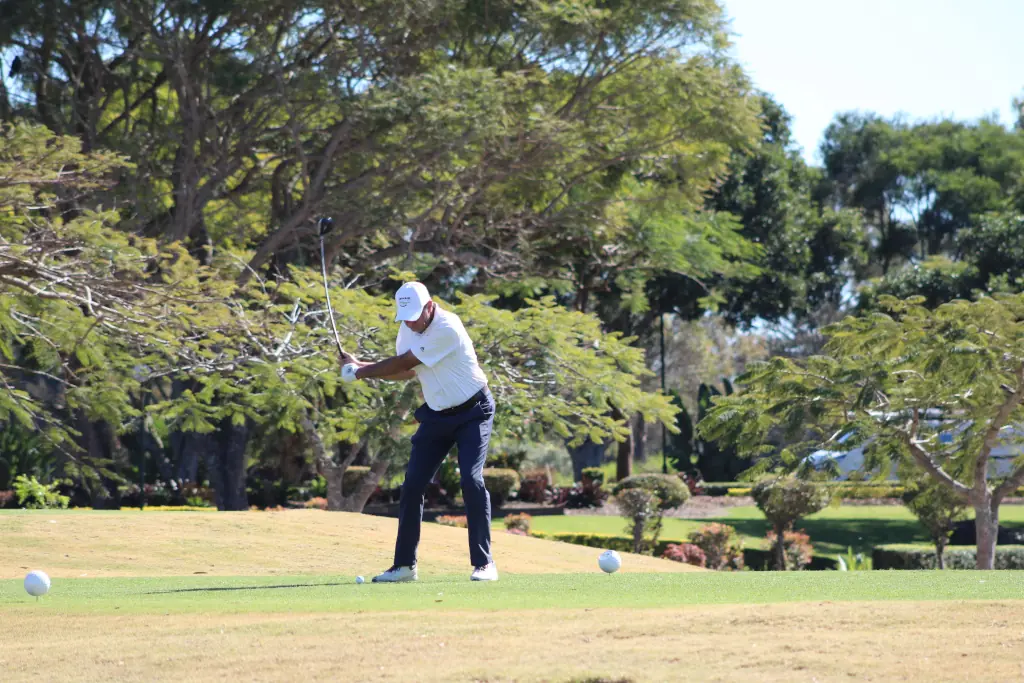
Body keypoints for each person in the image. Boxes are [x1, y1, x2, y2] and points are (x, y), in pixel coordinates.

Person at [339, 281, 498, 582]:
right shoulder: (408, 328)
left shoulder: (448, 326)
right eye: (405, 316)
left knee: (471, 479)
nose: (411, 321)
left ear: (429, 305)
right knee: (412, 485)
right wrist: (361, 365)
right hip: (437, 416)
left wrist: (360, 372)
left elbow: (406, 361)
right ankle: (404, 567)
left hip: (473, 412)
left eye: (415, 314)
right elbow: (408, 372)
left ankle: (484, 564)